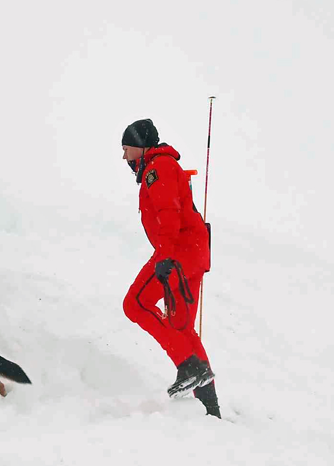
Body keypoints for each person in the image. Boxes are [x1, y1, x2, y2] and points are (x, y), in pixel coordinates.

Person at [121, 118, 221, 418]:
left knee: (135, 304)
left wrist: (164, 256)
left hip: (177, 252)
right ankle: (210, 409)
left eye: (126, 150)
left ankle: (188, 366)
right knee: (181, 328)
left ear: (141, 147)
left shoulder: (158, 167)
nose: (124, 157)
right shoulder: (161, 166)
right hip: (193, 253)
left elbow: (168, 212)